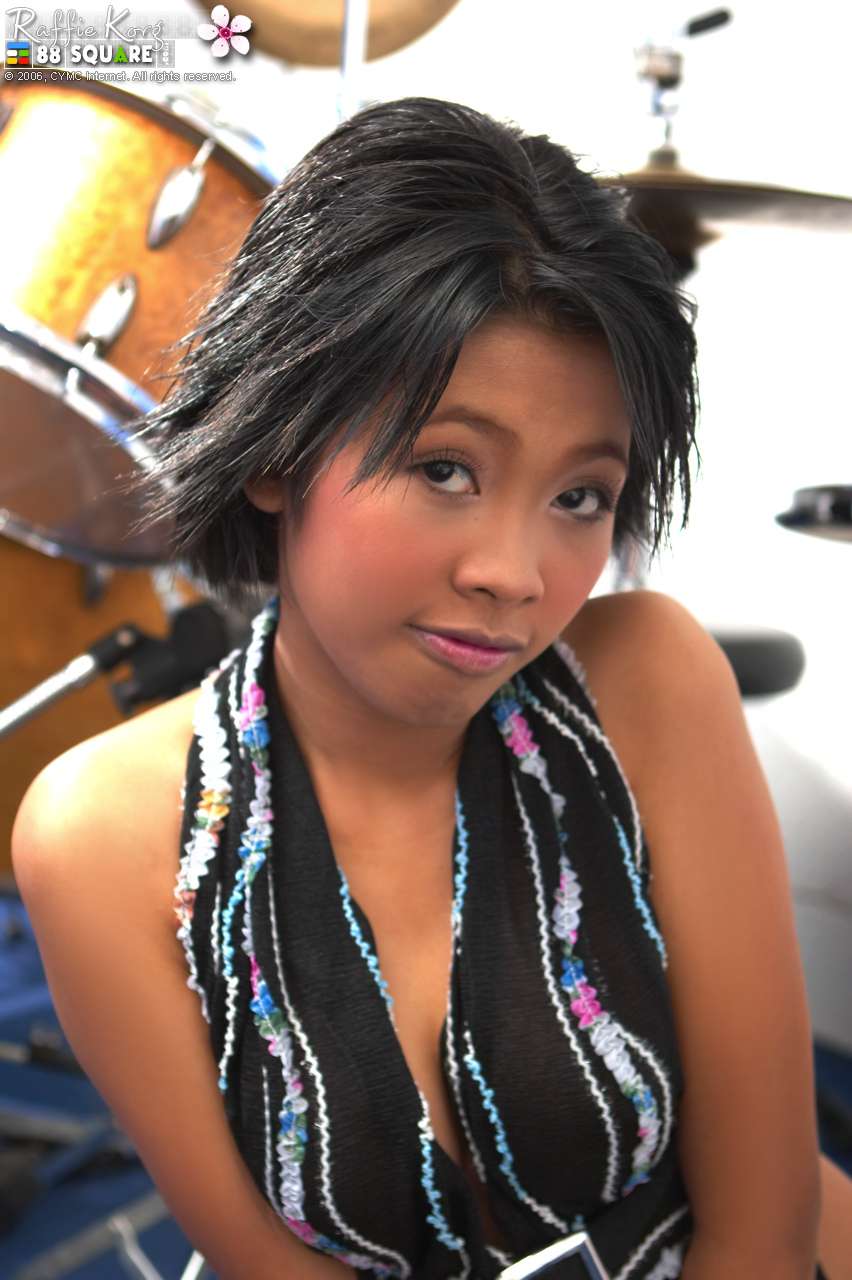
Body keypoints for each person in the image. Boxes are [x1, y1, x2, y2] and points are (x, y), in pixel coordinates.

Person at [10, 97, 850, 1280]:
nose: (515, 573)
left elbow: (764, 1226)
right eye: (446, 467)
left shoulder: (646, 681)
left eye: (579, 497)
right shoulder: (101, 832)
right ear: (277, 443)